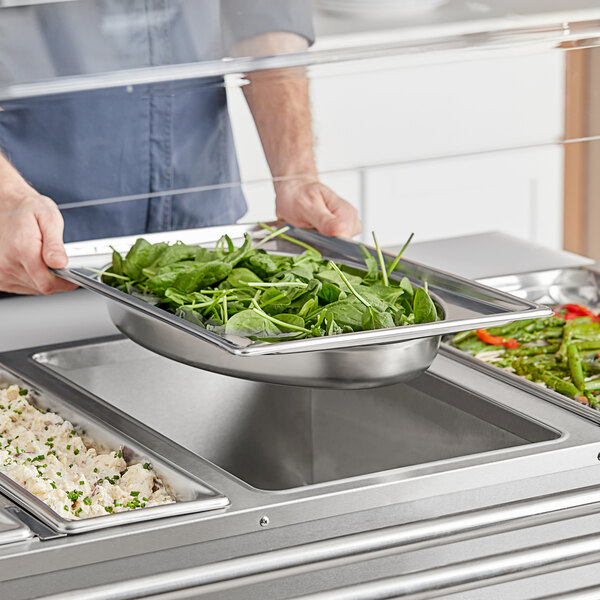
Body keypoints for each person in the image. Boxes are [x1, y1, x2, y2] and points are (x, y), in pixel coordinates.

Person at [0, 0, 361, 296]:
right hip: (28, 244)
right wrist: (6, 196)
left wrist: (295, 177)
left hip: (203, 237)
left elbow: (264, 14)